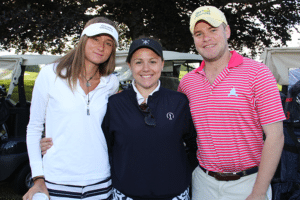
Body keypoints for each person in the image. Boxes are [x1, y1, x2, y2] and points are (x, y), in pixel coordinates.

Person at [41, 37, 198, 200]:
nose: (146, 68)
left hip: (174, 194)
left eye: (152, 61)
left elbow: (195, 145)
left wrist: (178, 173)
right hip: (125, 194)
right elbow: (99, 142)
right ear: (129, 66)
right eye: (138, 62)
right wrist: (54, 142)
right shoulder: (115, 103)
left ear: (162, 64)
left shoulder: (179, 101)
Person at [178, 6, 286, 200]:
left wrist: (259, 192)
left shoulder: (258, 73)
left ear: (226, 31)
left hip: (249, 183)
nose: (206, 38)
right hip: (203, 183)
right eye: (199, 33)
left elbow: (276, 136)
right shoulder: (188, 82)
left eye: (213, 30)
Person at [23, 17, 119, 200]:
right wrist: (38, 176)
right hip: (57, 180)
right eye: (95, 39)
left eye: (108, 43)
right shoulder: (50, 74)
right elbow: (34, 127)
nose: (101, 47)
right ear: (83, 40)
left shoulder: (111, 83)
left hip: (100, 181)